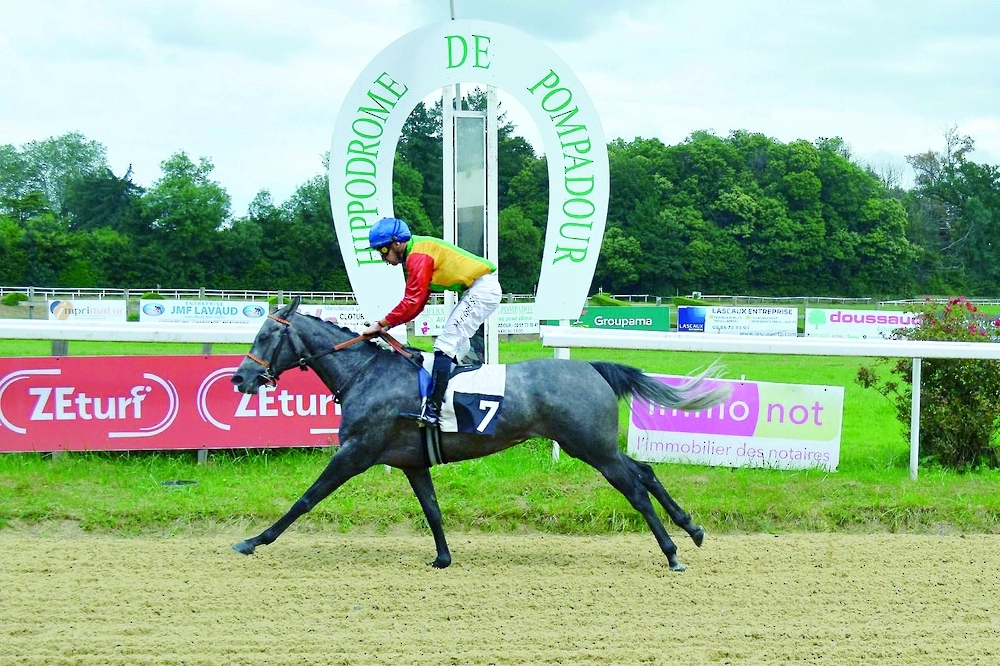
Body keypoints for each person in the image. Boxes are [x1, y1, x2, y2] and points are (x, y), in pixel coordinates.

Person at [363, 217, 502, 426]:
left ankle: (433, 411)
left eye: (382, 250)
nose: (383, 257)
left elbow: (412, 301)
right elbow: (417, 305)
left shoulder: (418, 256)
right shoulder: (417, 252)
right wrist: (387, 325)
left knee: (445, 346)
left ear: (397, 243)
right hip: (479, 289)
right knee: (458, 348)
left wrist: (381, 324)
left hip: (482, 290)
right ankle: (455, 403)